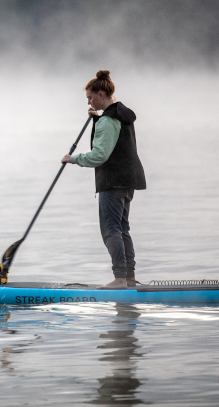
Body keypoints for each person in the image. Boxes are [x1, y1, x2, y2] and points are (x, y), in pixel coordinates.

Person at [61, 70, 146, 289]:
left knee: (111, 231)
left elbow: (100, 155)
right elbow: (112, 135)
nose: (88, 102)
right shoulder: (119, 114)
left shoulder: (108, 120)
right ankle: (128, 278)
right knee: (122, 229)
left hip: (113, 182)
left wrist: (73, 159)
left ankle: (119, 279)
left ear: (101, 94)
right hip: (128, 181)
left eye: (90, 97)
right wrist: (97, 118)